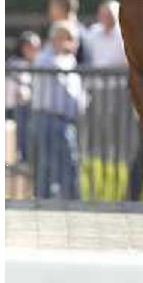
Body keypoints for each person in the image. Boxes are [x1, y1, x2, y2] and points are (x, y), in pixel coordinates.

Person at [32, 20, 87, 199]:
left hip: (65, 119)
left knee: (68, 161)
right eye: (71, 39)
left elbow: (75, 89)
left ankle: (70, 199)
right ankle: (43, 200)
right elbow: (58, 76)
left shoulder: (69, 59)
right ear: (59, 38)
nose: (75, 44)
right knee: (48, 162)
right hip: (48, 117)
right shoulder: (45, 58)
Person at [5, 31, 41, 163]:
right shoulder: (16, 64)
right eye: (31, 47)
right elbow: (21, 92)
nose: (35, 51)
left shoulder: (35, 63)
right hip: (14, 109)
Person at [45, 0, 93, 66]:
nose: (49, 11)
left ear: (62, 8)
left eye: (52, 7)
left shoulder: (78, 32)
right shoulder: (56, 29)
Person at [87, 0, 127, 68]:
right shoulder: (93, 31)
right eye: (102, 14)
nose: (105, 17)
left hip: (118, 76)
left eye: (109, 14)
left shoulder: (126, 34)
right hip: (93, 75)